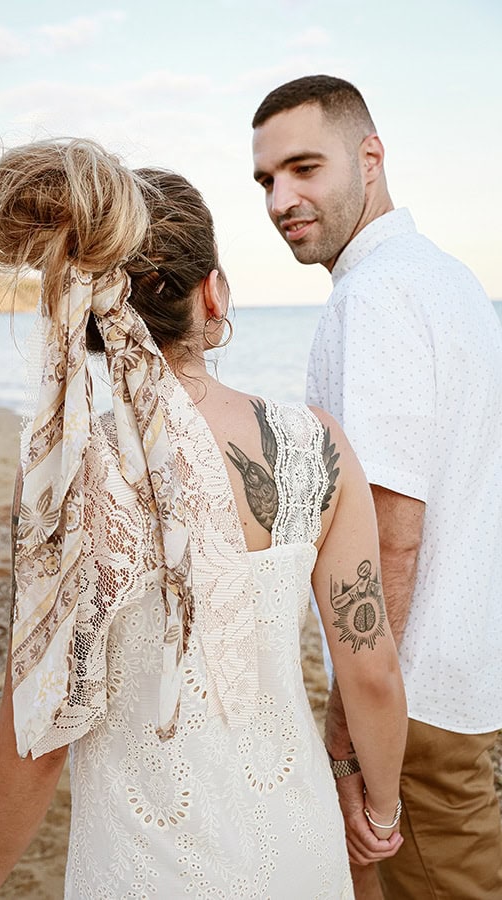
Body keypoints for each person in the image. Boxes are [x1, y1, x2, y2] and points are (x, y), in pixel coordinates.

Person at [0, 138, 407, 899]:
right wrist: (380, 810)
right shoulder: (314, 445)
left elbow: (40, 730)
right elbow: (370, 669)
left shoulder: (72, 473)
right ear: (213, 295)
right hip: (299, 848)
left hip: (140, 868)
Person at [251, 74, 502, 899]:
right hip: (469, 680)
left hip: (417, 707)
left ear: (370, 156)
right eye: (266, 180)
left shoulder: (376, 297)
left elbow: (392, 528)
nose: (282, 198)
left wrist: (355, 721)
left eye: (303, 167)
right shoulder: (450, 280)